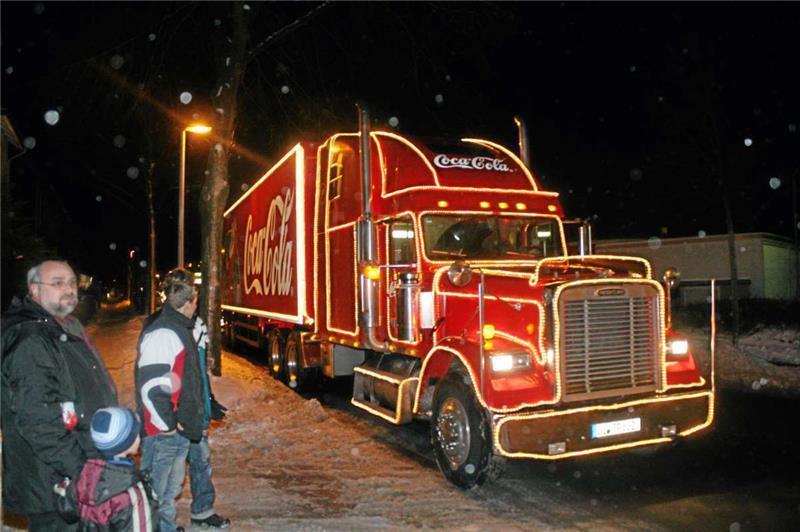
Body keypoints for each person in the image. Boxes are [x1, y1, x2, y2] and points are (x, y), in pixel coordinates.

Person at [1, 260, 119, 531]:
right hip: (53, 483)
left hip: (72, 473)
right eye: (57, 283)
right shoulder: (30, 339)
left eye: (71, 282)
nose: (68, 289)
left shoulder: (65, 326)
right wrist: (83, 470)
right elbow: (39, 422)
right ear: (35, 290)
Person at [134, 268, 227, 532]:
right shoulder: (163, 331)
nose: (196, 304)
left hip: (181, 424)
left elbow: (191, 375)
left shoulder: (184, 327)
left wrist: (204, 403)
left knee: (174, 485)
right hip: (166, 431)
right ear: (186, 301)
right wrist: (169, 424)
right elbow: (152, 386)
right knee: (159, 490)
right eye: (194, 299)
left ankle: (174, 524)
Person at [60, 407, 158, 531]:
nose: (139, 437)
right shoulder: (131, 493)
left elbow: (67, 510)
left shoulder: (84, 474)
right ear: (126, 443)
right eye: (136, 434)